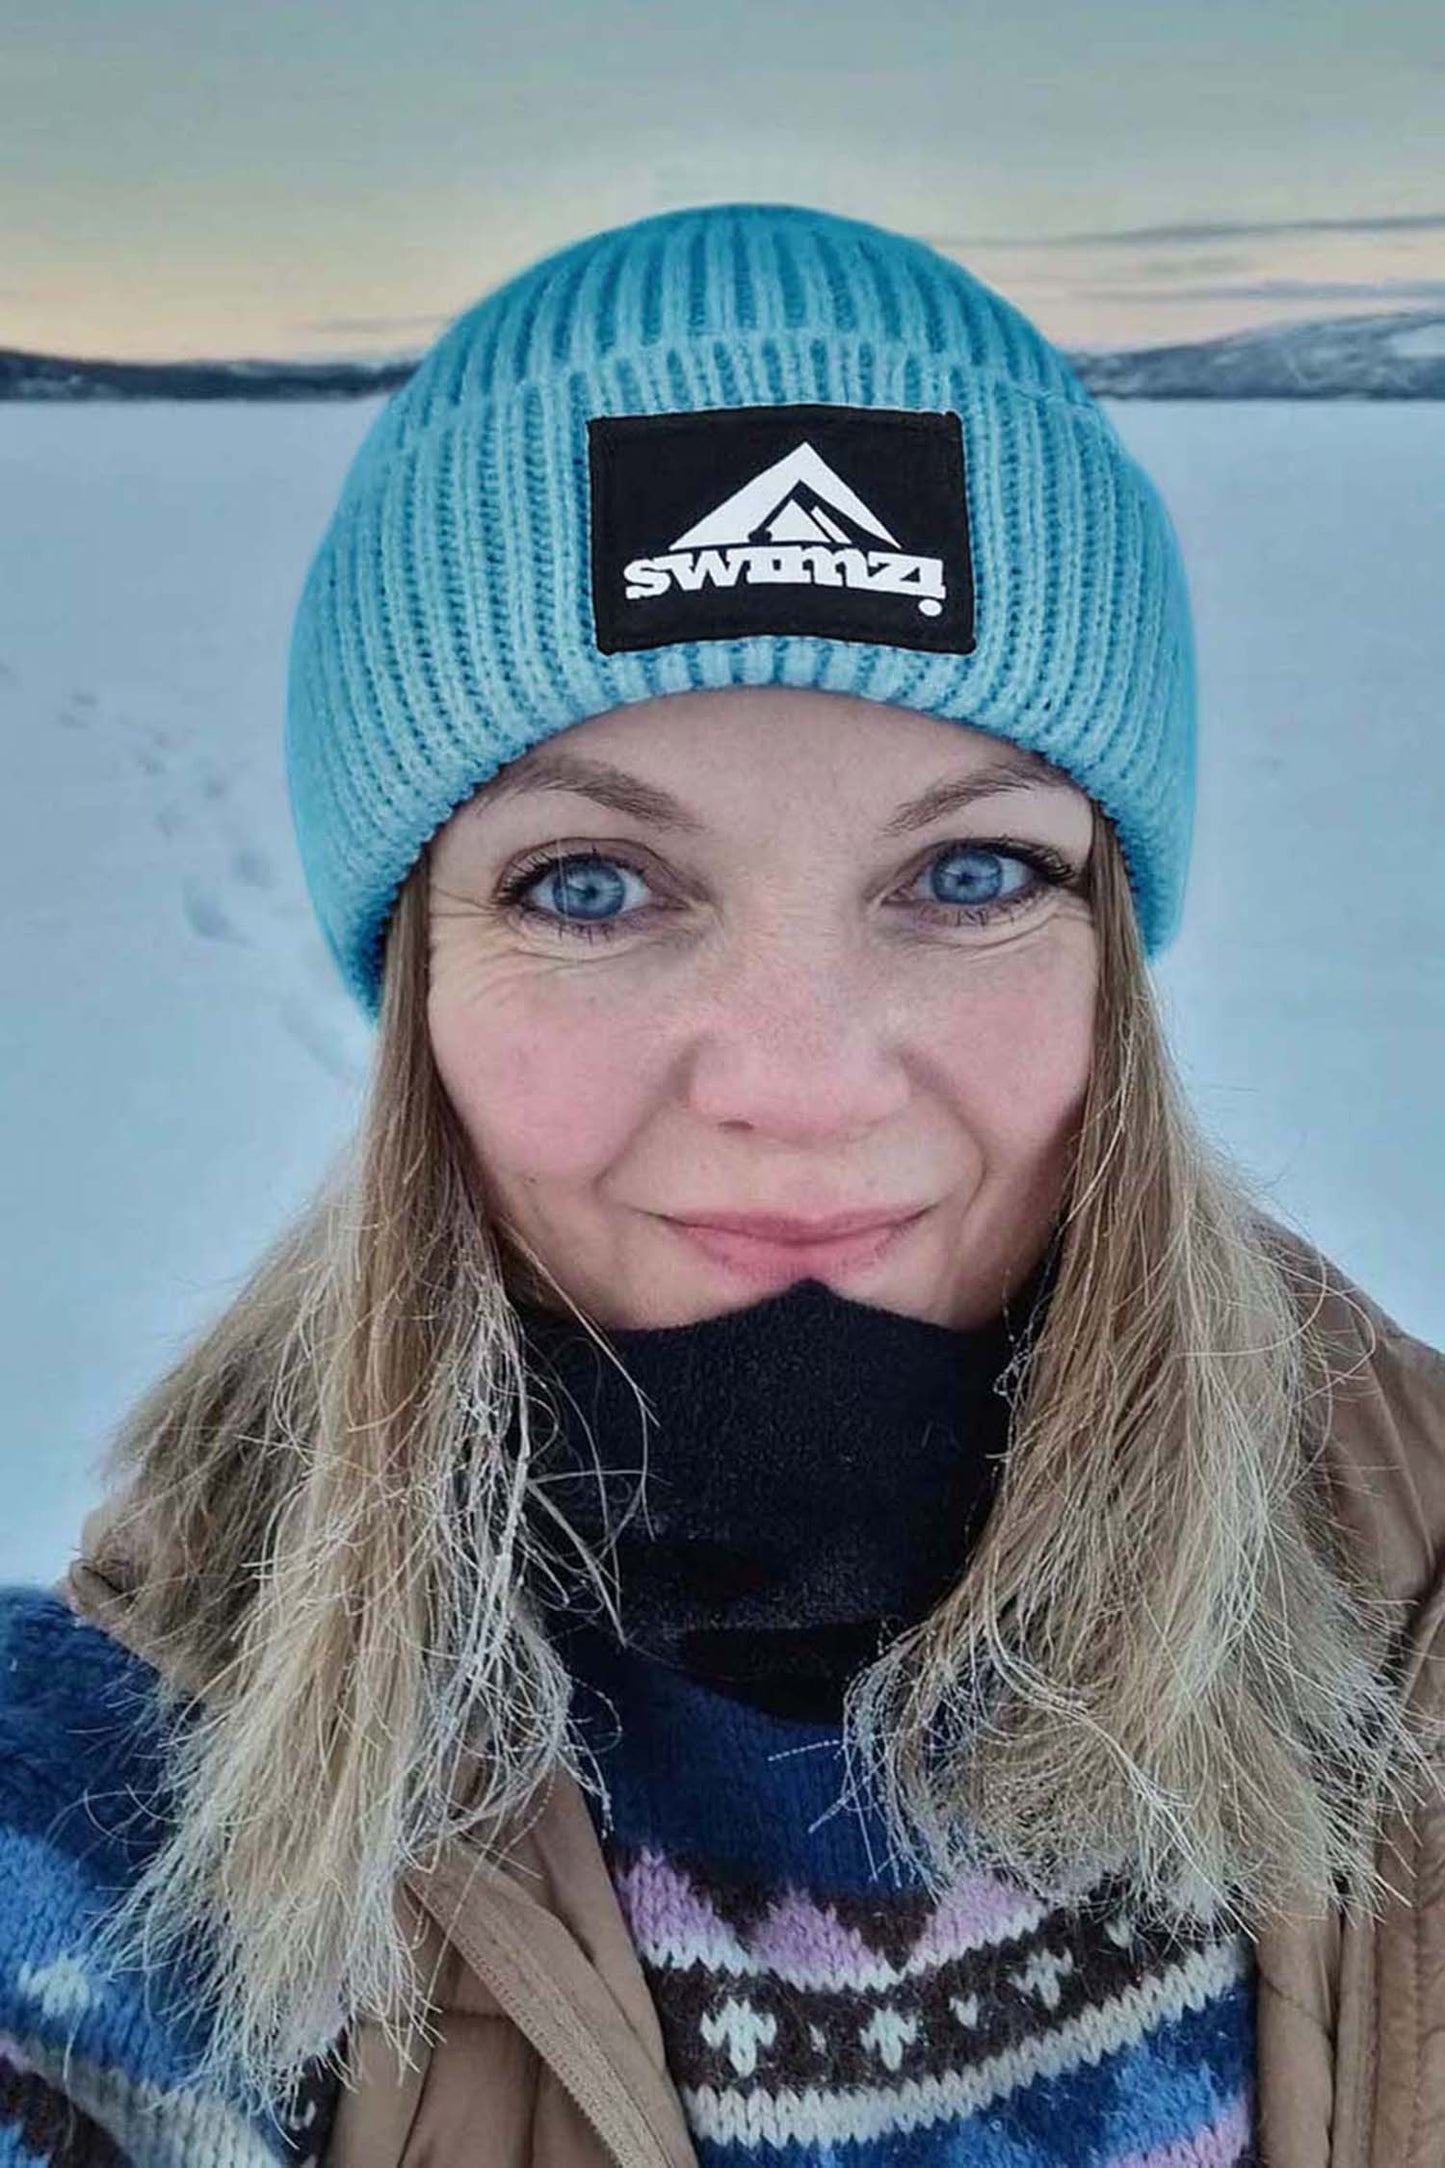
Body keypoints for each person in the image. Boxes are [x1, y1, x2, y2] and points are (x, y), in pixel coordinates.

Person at [1, 200, 1441, 2168]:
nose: (800, 1085)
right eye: (591, 886)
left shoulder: (1412, 1635)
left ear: (1111, 948)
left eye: (970, 875)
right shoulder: (109, 1810)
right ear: (423, 979)